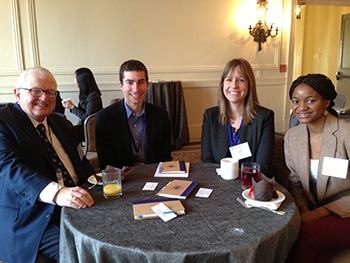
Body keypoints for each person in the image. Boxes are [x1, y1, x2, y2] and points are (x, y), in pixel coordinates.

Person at [0, 67, 94, 263]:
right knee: (86, 252)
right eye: (35, 91)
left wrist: (98, 180)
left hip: (77, 205)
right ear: (18, 94)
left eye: (51, 92)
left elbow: (82, 163)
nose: (44, 97)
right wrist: (58, 193)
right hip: (34, 219)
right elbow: (9, 168)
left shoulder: (62, 124)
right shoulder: (4, 122)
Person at [285, 74, 350, 262]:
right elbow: (295, 182)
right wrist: (304, 210)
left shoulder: (346, 134)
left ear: (327, 102)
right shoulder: (292, 137)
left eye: (310, 100)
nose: (301, 107)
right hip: (312, 211)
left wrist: (318, 214)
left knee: (305, 235)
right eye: (296, 101)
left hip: (345, 211)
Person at [201, 58, 275, 175]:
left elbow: (263, 166)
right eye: (229, 80)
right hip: (218, 182)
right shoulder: (210, 116)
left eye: (240, 80)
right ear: (223, 84)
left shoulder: (265, 117)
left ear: (249, 85)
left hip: (249, 183)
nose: (234, 85)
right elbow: (207, 161)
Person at [95, 59, 172, 170]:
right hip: (122, 180)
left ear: (147, 85)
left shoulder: (161, 116)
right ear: (121, 85)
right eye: (130, 82)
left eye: (140, 82)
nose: (136, 89)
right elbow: (106, 162)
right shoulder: (105, 118)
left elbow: (165, 158)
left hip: (154, 176)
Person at [62, 67, 103, 142]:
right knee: (66, 130)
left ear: (81, 80)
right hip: (85, 127)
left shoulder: (93, 96)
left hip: (92, 129)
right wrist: (70, 107)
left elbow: (88, 117)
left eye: (75, 78)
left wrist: (72, 107)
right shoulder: (85, 94)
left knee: (68, 133)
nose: (74, 80)